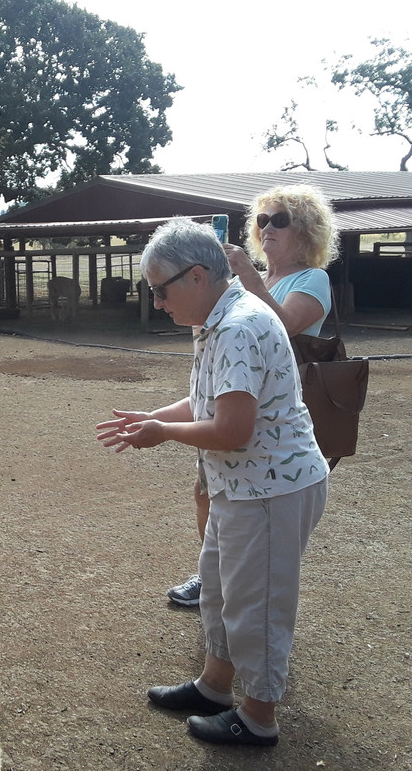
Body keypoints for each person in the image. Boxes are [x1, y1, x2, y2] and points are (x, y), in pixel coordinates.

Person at [96, 218, 328, 747]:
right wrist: (152, 416)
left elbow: (232, 428)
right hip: (242, 487)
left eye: (161, 289)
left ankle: (259, 716)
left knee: (259, 605)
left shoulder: (239, 326)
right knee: (221, 591)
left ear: (197, 276)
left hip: (270, 490)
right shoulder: (219, 320)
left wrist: (162, 432)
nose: (157, 302)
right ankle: (215, 687)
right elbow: (213, 401)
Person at [166, 184, 339, 607]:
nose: (268, 228)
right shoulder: (258, 278)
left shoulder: (312, 280)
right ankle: (215, 574)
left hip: (277, 405)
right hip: (240, 393)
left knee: (260, 499)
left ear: (307, 231)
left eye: (281, 220)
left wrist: (243, 276)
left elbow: (284, 324)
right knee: (207, 487)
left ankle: (242, 585)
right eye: (263, 220)